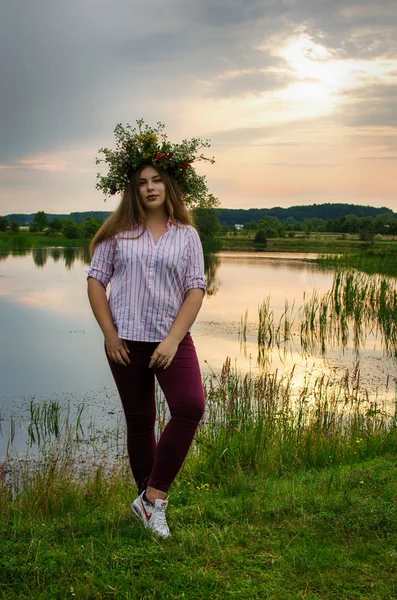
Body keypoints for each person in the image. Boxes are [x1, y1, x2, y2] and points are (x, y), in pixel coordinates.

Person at [87, 121, 215, 538]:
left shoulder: (187, 236)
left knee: (191, 407)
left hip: (170, 340)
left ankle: (153, 496)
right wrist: (109, 334)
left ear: (169, 186)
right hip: (125, 343)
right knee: (140, 421)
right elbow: (95, 281)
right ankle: (149, 508)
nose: (150, 187)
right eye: (142, 182)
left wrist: (174, 339)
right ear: (133, 189)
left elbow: (196, 289)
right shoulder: (118, 233)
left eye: (157, 179)